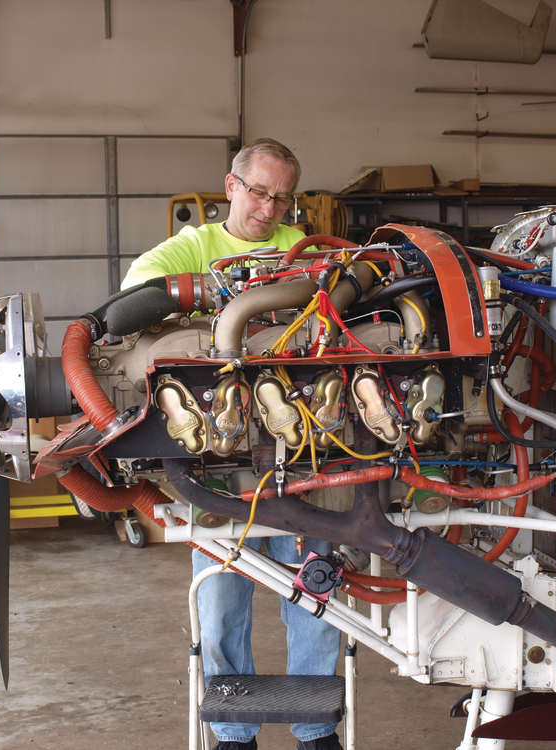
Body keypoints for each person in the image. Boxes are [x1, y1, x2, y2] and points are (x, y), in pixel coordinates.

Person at [121, 139, 344, 750]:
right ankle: (234, 732)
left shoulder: (304, 253)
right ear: (230, 187)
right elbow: (134, 293)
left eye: (281, 197)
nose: (268, 208)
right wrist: (211, 298)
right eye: (258, 192)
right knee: (220, 605)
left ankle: (316, 729)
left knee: (316, 594)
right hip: (220, 462)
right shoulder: (195, 248)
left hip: (307, 455)